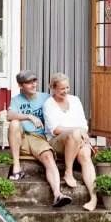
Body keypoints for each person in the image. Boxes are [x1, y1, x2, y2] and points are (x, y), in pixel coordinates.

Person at [7, 69, 72, 207]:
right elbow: (9, 115)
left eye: (34, 81)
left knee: (48, 157)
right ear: (20, 85)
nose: (33, 84)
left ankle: (58, 195)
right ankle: (17, 167)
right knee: (14, 124)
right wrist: (29, 116)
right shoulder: (16, 100)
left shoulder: (46, 98)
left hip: (39, 138)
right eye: (28, 82)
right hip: (22, 138)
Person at [42, 72, 98, 212]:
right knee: (74, 134)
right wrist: (78, 132)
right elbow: (55, 129)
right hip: (57, 142)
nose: (65, 91)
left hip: (79, 138)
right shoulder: (49, 104)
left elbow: (84, 124)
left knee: (85, 155)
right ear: (53, 88)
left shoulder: (75, 100)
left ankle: (93, 198)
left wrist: (81, 133)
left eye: (67, 87)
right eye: (62, 88)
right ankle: (68, 171)